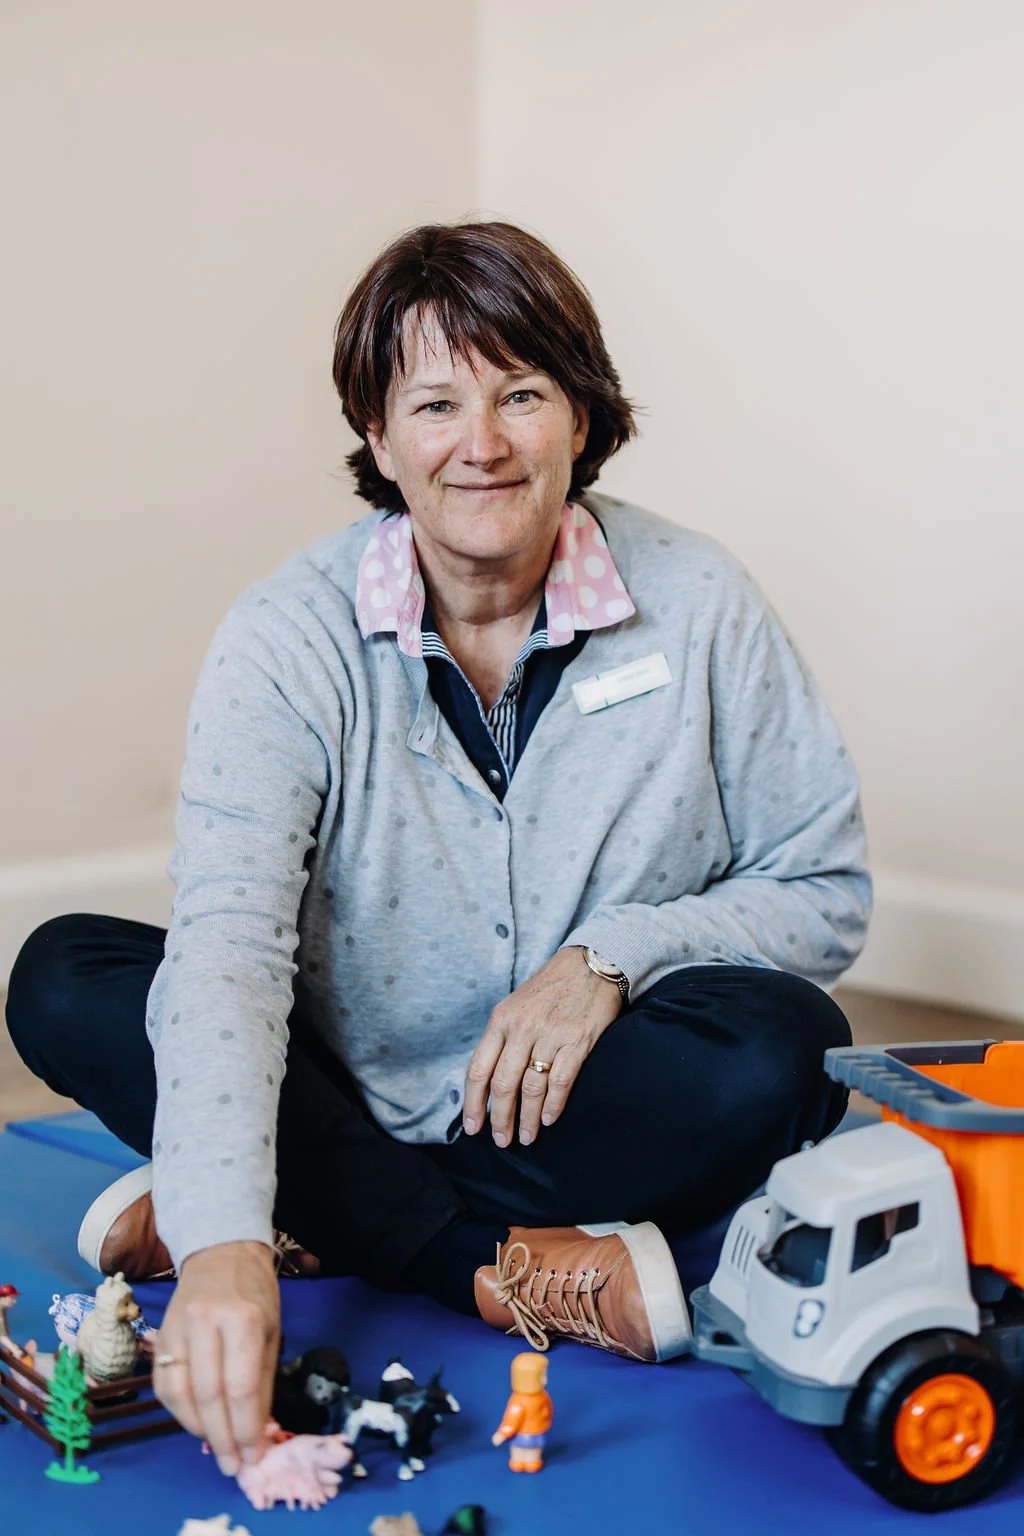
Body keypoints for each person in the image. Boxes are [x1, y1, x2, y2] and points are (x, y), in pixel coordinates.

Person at [6, 220, 870, 1478]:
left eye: (522, 392)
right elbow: (233, 951)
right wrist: (224, 1254)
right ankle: (474, 1263)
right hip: (340, 1078)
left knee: (781, 1051)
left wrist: (613, 956)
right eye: (435, 402)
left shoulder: (702, 600)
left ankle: (316, 1208)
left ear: (581, 415)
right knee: (66, 974)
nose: (482, 443)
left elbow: (822, 889)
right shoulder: (284, 639)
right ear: (377, 435)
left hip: (559, 1108)